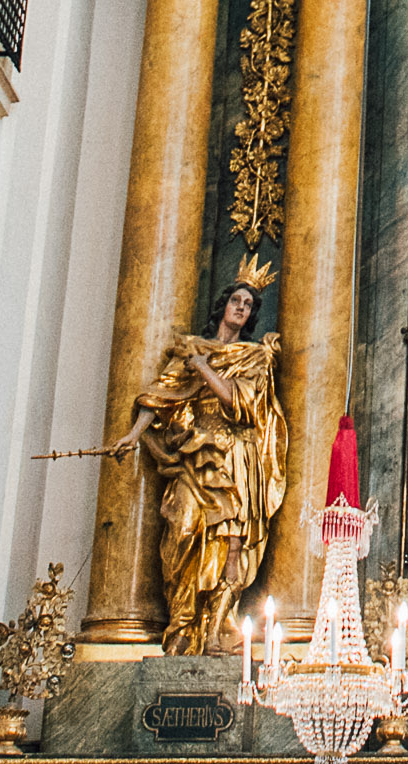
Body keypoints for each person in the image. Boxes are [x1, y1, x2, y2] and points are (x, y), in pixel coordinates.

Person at [114, 269, 286, 654]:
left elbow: (239, 402)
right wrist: (133, 435)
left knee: (232, 548)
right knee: (181, 531)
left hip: (236, 456)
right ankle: (181, 625)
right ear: (223, 305)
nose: (241, 308)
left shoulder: (253, 357)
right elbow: (163, 394)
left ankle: (215, 631)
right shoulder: (191, 348)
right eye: (236, 301)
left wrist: (204, 368)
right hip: (195, 455)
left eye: (248, 305)